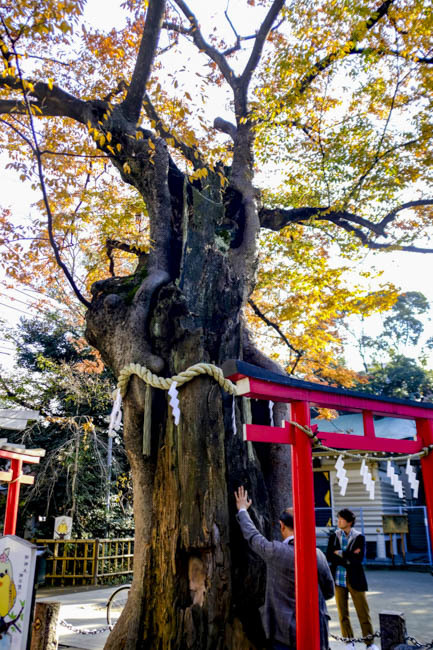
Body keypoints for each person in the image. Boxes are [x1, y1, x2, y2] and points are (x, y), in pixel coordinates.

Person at [234, 486, 334, 650]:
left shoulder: (276, 551)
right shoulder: (318, 554)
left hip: (284, 632)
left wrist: (243, 510)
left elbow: (253, 536)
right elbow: (329, 590)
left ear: (281, 525)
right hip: (316, 630)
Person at [326, 508, 379, 650]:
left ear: (349, 522)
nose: (338, 521)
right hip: (338, 578)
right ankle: (348, 642)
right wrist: (348, 556)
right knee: (342, 613)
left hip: (355, 578)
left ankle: (370, 643)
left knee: (363, 612)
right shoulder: (334, 536)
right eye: (338, 519)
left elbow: (358, 559)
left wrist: (341, 553)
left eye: (341, 519)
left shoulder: (359, 537)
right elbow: (329, 556)